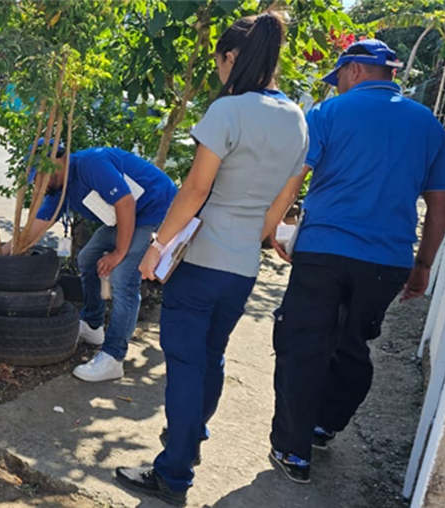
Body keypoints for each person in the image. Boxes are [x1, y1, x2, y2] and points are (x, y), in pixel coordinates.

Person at [115, 11, 309, 506]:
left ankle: (174, 473)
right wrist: (252, 239)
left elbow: (196, 189)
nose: (220, 71)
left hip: (201, 261)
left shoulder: (228, 111)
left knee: (183, 364)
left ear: (232, 57)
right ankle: (189, 443)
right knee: (212, 357)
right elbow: (279, 209)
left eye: (220, 62)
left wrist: (157, 246)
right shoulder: (297, 119)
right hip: (243, 266)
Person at [267, 39, 445, 484]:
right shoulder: (428, 123)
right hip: (385, 261)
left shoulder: (330, 113)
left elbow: (295, 177)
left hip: (324, 251)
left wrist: (275, 226)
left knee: (301, 345)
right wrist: (423, 264)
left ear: (352, 70)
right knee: (353, 344)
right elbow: (441, 205)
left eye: (339, 78)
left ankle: (293, 453)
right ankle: (324, 424)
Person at [18, 144, 177, 382]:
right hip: (127, 217)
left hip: (156, 211)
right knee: (87, 258)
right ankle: (93, 326)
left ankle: (114, 357)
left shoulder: (91, 163)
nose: (38, 185)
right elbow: (33, 230)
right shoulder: (59, 190)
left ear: (56, 162)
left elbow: (125, 203)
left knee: (124, 278)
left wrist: (119, 253)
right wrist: (2, 252)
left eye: (39, 177)